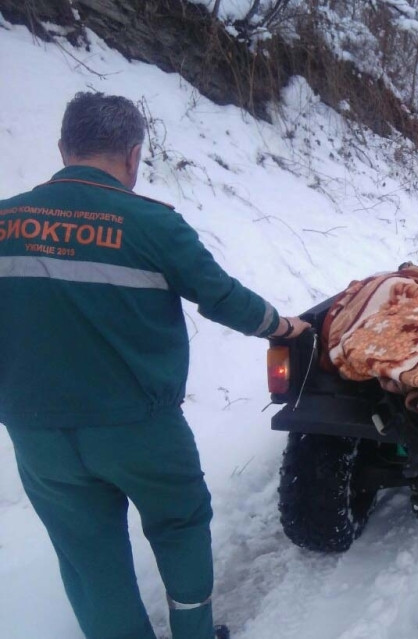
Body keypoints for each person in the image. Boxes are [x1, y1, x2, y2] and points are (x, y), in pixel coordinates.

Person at [0, 92, 309, 639]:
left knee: (89, 558)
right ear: (133, 154)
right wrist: (280, 326)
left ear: (63, 147)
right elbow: (221, 298)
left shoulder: (5, 221)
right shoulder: (151, 224)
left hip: (38, 434)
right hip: (141, 429)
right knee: (180, 528)